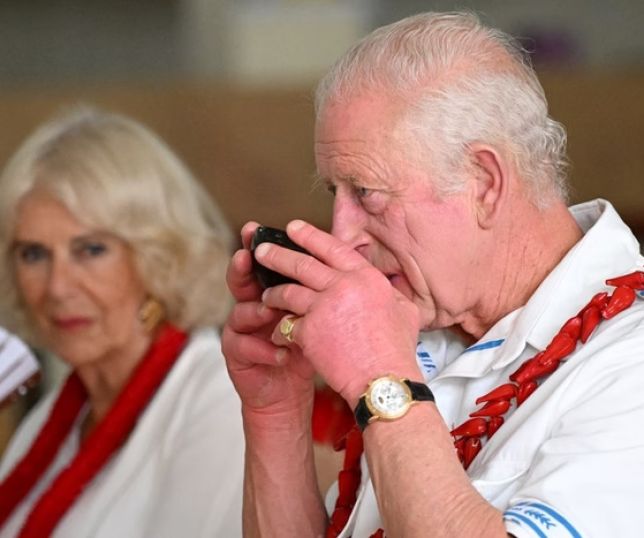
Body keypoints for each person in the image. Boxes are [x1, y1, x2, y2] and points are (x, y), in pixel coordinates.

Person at [222, 11, 644, 538]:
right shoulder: (423, 324)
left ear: (485, 183)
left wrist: (381, 378)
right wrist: (278, 410)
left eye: (367, 193)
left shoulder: (630, 361)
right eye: (336, 192)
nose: (343, 234)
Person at [0, 106, 244, 537]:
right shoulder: (52, 418)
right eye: (33, 254)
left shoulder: (220, 399)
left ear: (158, 254)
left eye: (91, 250)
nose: (58, 287)